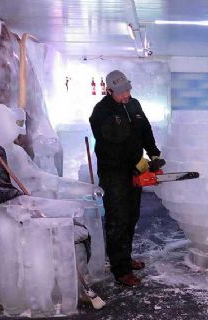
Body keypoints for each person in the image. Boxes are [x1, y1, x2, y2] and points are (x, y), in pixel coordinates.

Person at [89, 70, 164, 286]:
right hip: (114, 172)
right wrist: (136, 162)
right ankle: (120, 270)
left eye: (128, 90)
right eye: (121, 92)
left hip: (133, 169)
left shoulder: (134, 105)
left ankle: (126, 258)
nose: (126, 95)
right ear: (109, 90)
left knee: (131, 216)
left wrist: (153, 153)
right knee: (117, 219)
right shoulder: (101, 113)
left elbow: (145, 130)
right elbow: (115, 146)